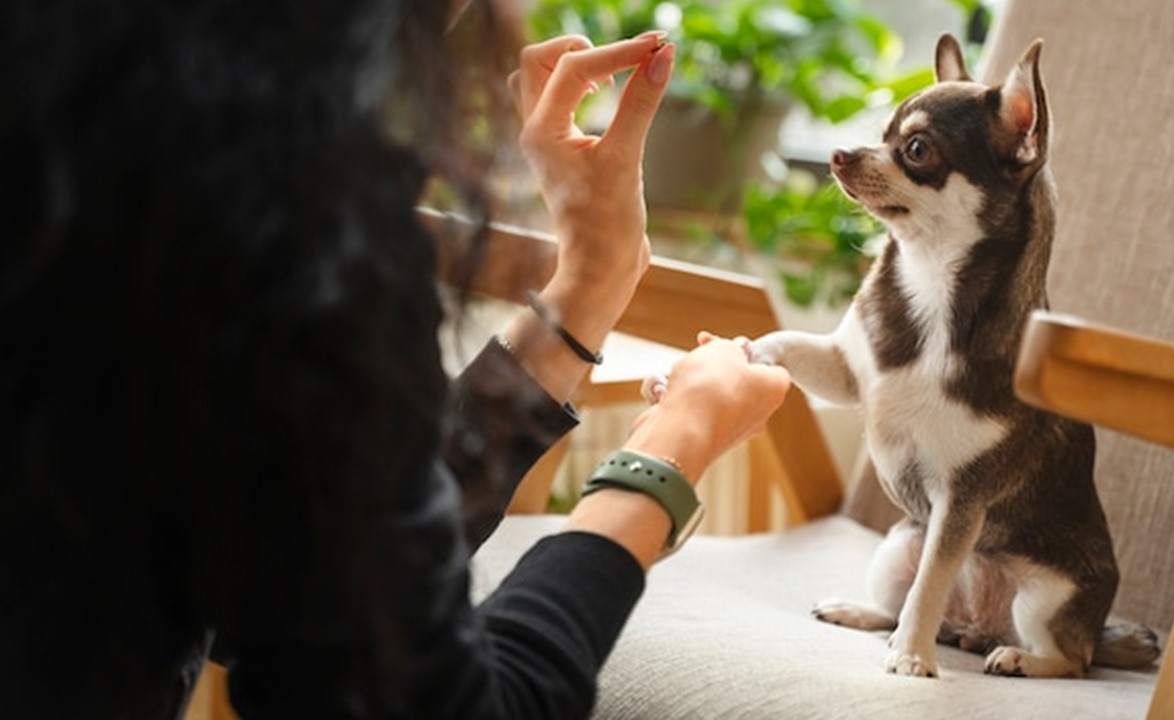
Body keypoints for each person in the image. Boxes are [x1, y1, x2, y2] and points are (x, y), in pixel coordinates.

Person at [0, 1, 792, 718]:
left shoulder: (97, 129)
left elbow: (319, 578)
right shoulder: (271, 211)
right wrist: (669, 447)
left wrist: (588, 286)